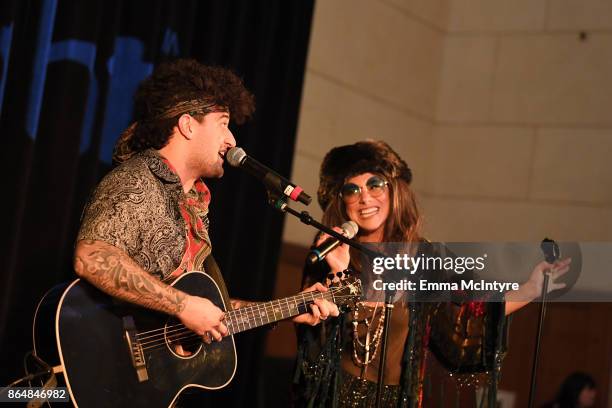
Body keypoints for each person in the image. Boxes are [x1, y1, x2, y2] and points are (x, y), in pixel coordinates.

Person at [74, 59, 338, 362]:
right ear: (188, 125)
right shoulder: (138, 180)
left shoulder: (193, 205)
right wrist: (183, 306)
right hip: (107, 359)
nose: (232, 140)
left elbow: (214, 311)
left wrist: (293, 307)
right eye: (223, 124)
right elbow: (91, 257)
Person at [293, 140, 571, 407]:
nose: (365, 197)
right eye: (352, 189)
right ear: (341, 201)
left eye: (374, 184)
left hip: (397, 400)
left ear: (394, 191)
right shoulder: (329, 251)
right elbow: (314, 344)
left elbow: (473, 310)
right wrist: (338, 271)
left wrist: (532, 288)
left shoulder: (425, 257)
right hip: (335, 398)